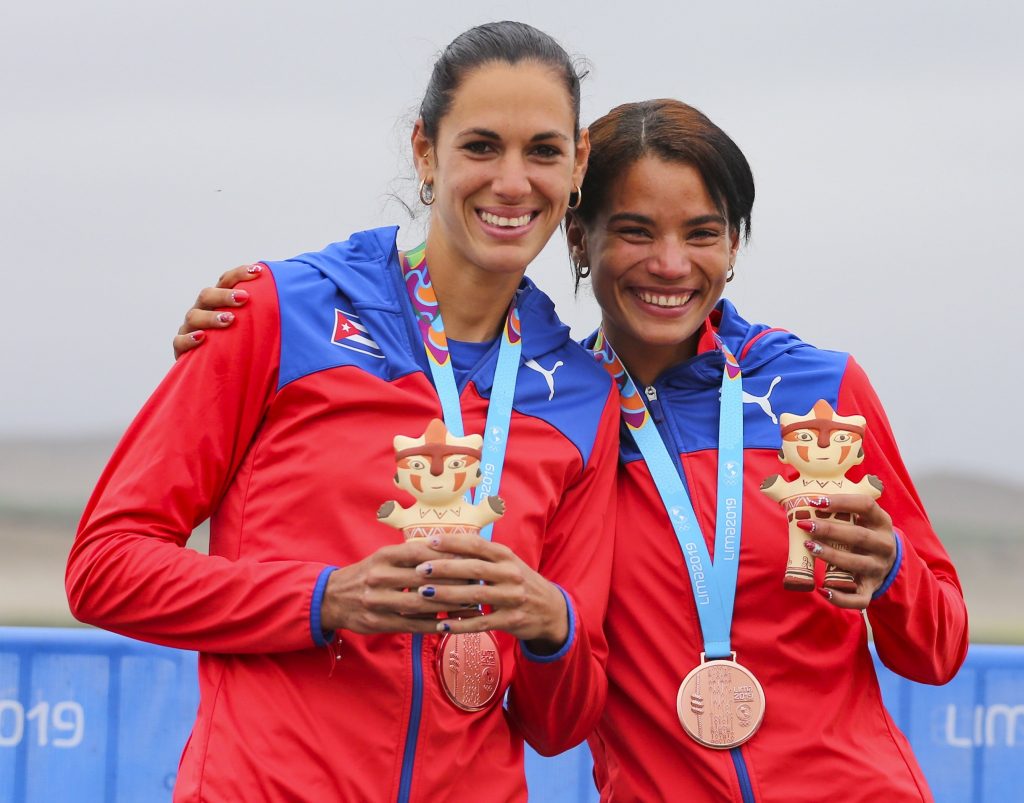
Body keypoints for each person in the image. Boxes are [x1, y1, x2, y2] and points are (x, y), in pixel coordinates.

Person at [181, 98, 969, 801]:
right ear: (581, 238)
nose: (670, 264)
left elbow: (938, 649)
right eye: (634, 231)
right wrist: (247, 328)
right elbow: (561, 691)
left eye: (703, 234)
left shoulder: (819, 390)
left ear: (734, 245)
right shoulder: (562, 418)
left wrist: (892, 571)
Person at [66, 22, 622, 803]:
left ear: (577, 166)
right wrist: (322, 599)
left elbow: (559, 724)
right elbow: (103, 567)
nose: (511, 180)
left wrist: (550, 622)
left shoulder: (581, 395)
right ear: (425, 151)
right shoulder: (279, 311)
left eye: (542, 151)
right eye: (480, 146)